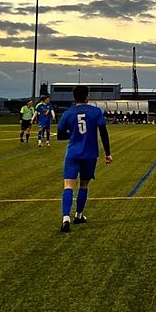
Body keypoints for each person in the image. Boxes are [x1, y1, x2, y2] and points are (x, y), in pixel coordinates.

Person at [56, 85, 111, 232]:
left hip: (73, 154)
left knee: (68, 185)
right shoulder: (95, 111)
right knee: (84, 185)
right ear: (87, 96)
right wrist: (108, 153)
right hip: (90, 154)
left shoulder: (68, 113)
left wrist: (73, 135)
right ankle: (79, 215)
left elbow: (60, 135)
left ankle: (65, 218)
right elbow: (104, 133)